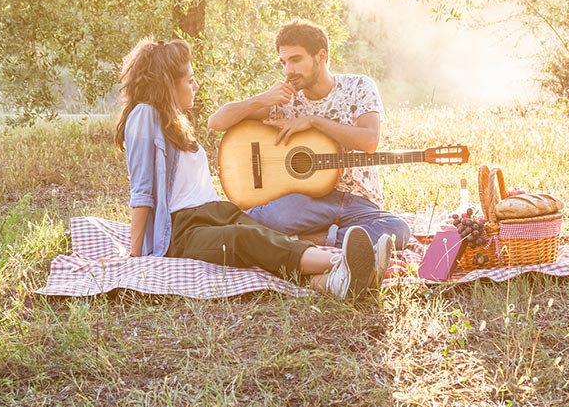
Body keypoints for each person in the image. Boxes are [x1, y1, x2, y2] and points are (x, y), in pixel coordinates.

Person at [116, 36, 391, 299]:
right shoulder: (144, 115)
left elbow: (370, 140)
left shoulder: (172, 121)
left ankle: (331, 282)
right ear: (167, 85)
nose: (196, 87)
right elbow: (142, 191)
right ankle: (344, 262)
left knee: (268, 241)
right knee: (245, 239)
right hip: (179, 229)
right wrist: (135, 256)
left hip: (213, 212)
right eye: (190, 80)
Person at [206, 18, 413, 251]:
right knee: (257, 221)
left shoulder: (359, 87)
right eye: (283, 62)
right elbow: (216, 122)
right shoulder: (285, 99)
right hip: (307, 203)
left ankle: (314, 239)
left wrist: (314, 121)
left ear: (321, 56)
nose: (288, 70)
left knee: (398, 230)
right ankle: (341, 239)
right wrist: (263, 98)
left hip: (358, 200)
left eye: (295, 60)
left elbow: (369, 141)